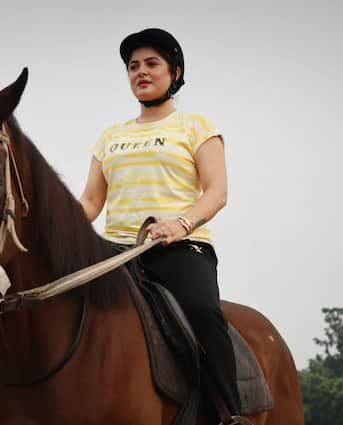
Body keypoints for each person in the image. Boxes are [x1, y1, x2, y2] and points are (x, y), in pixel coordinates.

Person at [78, 28, 247, 424]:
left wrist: (181, 224)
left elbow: (217, 192)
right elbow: (89, 202)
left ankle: (231, 414)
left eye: (152, 63)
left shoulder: (196, 126)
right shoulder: (110, 136)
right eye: (133, 66)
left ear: (175, 71)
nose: (141, 71)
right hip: (117, 252)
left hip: (179, 247)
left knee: (202, 311)